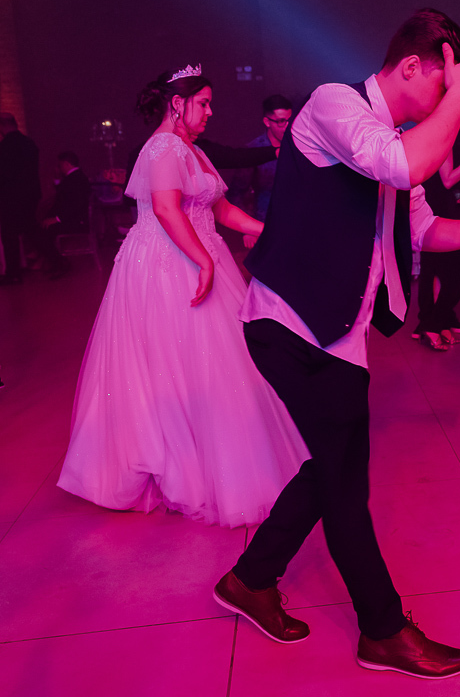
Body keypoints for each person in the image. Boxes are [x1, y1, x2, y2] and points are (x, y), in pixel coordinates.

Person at [212, 9, 460, 679]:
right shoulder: (336, 106)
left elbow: (424, 230)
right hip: (286, 324)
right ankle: (382, 630)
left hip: (344, 340)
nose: (449, 100)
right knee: (344, 483)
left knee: (332, 472)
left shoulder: (398, 141)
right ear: (412, 66)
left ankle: (250, 578)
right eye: (443, 85)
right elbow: (396, 163)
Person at [57, 66, 308, 528]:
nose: (211, 112)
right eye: (204, 103)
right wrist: (205, 261)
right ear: (178, 103)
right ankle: (177, 464)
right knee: (177, 363)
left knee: (220, 360)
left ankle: (221, 457)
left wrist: (270, 229)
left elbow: (224, 209)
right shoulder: (163, 147)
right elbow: (168, 210)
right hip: (165, 264)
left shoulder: (192, 150)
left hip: (196, 251)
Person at [413, 123, 460, 349]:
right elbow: (448, 179)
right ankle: (434, 323)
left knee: (434, 269)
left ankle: (434, 322)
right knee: (456, 271)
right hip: (442, 208)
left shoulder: (430, 132)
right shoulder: (444, 134)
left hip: (432, 205)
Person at [228, 94, 293, 224]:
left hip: (295, 219)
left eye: (289, 120)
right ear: (267, 122)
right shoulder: (254, 150)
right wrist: (247, 228)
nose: (286, 126)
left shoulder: (297, 145)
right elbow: (237, 194)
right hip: (265, 221)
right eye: (280, 121)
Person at [32, 151, 92, 278]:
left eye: (60, 165)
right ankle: (57, 263)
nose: (58, 168)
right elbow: (66, 197)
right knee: (40, 231)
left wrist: (58, 219)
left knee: (41, 233)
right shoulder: (76, 178)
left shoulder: (75, 179)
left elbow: (76, 204)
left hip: (74, 221)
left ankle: (59, 264)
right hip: (72, 219)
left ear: (66, 164)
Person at [0, 113, 42, 285]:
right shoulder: (29, 143)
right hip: (30, 195)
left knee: (10, 235)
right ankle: (55, 260)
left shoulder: (5, 147)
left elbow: (4, 176)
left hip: (11, 197)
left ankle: (14, 273)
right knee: (31, 229)